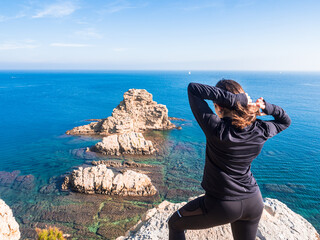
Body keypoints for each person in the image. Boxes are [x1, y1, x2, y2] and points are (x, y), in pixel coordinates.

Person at [168, 79, 291, 240]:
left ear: (218, 106)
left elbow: (193, 89)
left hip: (222, 205)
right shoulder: (261, 129)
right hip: (253, 202)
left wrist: (235, 100)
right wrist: (266, 107)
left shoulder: (216, 129)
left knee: (175, 223)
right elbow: (285, 121)